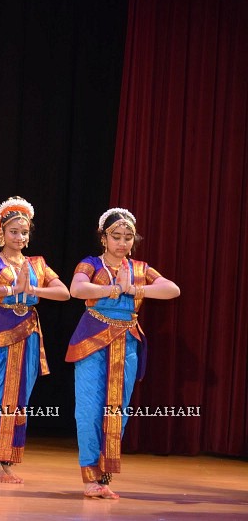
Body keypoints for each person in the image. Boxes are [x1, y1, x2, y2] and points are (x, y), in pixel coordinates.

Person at [67, 208, 180, 499]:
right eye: (116, 236)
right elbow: (77, 289)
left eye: (128, 238)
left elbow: (172, 289)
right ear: (103, 238)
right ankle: (90, 477)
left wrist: (135, 289)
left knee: (118, 409)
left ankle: (104, 478)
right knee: (89, 408)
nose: (123, 242)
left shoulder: (140, 269)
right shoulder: (90, 264)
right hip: (91, 341)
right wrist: (112, 290)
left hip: (127, 342)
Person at [0, 196, 69, 483]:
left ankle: (8, 460)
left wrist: (35, 292)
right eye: (13, 231)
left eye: (24, 232)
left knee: (18, 398)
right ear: (1, 232)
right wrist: (14, 289)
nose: (19, 237)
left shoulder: (38, 264)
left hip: (27, 332)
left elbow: (64, 292)